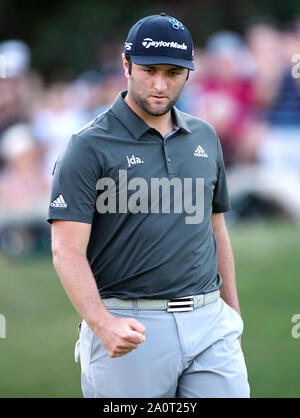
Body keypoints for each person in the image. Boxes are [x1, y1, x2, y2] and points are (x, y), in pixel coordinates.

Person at [48, 13, 250, 398]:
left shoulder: (204, 136)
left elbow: (215, 229)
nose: (160, 85)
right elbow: (65, 249)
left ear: (189, 73)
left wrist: (232, 313)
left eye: (173, 73)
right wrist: (102, 324)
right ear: (126, 64)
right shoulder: (87, 146)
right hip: (130, 328)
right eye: (149, 70)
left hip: (211, 324)